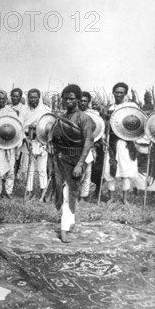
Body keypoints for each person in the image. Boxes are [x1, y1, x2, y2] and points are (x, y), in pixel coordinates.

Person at [49, 84, 94, 243]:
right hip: (60, 159)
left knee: (70, 193)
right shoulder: (61, 118)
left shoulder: (85, 119)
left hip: (75, 160)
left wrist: (80, 164)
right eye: (65, 98)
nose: (68, 101)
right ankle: (69, 223)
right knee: (62, 192)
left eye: (71, 98)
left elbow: (87, 143)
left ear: (78, 99)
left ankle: (64, 229)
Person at [102, 82, 140, 204]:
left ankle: (125, 199)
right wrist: (103, 137)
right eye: (117, 92)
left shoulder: (131, 106)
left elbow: (137, 122)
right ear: (113, 93)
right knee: (109, 170)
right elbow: (103, 126)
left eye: (121, 92)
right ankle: (111, 197)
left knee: (125, 170)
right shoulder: (109, 108)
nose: (119, 94)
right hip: (111, 143)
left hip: (125, 143)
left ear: (125, 94)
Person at [20, 89, 51, 200]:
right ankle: (29, 191)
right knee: (29, 169)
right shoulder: (24, 110)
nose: (33, 99)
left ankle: (43, 192)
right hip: (28, 142)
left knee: (42, 169)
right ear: (28, 98)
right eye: (31, 97)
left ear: (39, 97)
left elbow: (50, 125)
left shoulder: (45, 110)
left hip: (41, 142)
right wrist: (25, 138)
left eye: (35, 97)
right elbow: (20, 125)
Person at [0, 91, 18, 199]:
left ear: (6, 100)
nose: (1, 101)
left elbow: (18, 127)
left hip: (10, 143)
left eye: (3, 99)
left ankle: (9, 191)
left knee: (10, 170)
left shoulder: (12, 112)